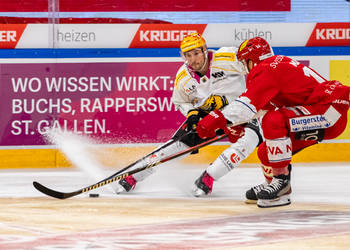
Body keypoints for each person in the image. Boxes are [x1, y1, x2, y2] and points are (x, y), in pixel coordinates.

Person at [196, 36, 350, 207]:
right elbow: (261, 108)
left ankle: (281, 181)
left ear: (251, 59)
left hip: (328, 111)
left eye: (244, 62)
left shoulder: (266, 68)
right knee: (265, 150)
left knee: (273, 120)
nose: (245, 68)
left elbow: (247, 105)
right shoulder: (276, 64)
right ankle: (277, 191)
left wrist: (217, 118)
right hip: (323, 113)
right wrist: (234, 123)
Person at [114, 33, 265, 197]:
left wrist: (257, 93)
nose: (193, 59)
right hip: (209, 116)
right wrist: (191, 113)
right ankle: (134, 176)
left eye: (196, 53)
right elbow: (180, 102)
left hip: (243, 110)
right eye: (188, 55)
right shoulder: (183, 77)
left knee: (249, 140)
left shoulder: (226, 57)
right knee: (176, 146)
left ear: (205, 50)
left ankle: (209, 176)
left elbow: (256, 65)